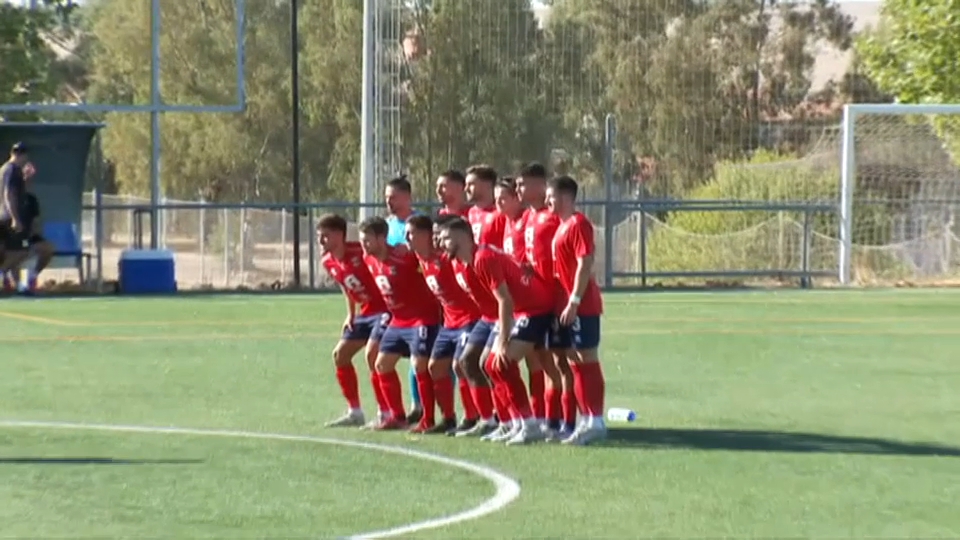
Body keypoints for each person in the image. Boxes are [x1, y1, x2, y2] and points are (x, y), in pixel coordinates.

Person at [437, 217, 556, 445]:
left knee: (502, 362)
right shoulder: (469, 260)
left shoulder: (482, 258)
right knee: (489, 365)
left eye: (445, 238)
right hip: (519, 312)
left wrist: (501, 341)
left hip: (534, 309)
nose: (441, 244)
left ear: (462, 237)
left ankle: (529, 424)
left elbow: (505, 300)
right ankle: (514, 422)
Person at [359, 216, 442, 431]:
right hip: (398, 319)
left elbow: (429, 259)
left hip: (422, 318)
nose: (363, 245)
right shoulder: (369, 259)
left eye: (367, 240)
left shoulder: (405, 256)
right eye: (361, 241)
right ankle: (397, 416)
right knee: (381, 364)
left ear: (382, 238)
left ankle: (428, 419)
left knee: (419, 366)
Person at [405, 214, 482, 434]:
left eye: (412, 233)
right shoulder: (421, 259)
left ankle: (473, 416)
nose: (408, 239)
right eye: (407, 234)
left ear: (427, 235)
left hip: (469, 319)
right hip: (449, 323)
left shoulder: (446, 258)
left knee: (461, 366)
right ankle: (448, 418)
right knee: (435, 367)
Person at [547, 175, 607, 445]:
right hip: (568, 307)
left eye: (551, 195)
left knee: (587, 360)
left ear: (565, 197)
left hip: (583, 305)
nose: (548, 200)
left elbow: (585, 263)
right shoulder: (561, 226)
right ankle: (587, 419)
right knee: (576, 362)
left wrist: (574, 300)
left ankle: (595, 420)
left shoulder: (579, 224)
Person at [317, 214, 392, 429]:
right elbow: (345, 285)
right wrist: (350, 313)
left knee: (372, 355)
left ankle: (385, 411)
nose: (321, 241)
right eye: (319, 237)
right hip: (365, 313)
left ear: (340, 235)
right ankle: (355, 411)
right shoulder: (327, 261)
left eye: (325, 236)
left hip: (384, 310)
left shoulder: (360, 252)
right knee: (340, 355)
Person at [517, 162, 572, 437]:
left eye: (523, 183)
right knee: (542, 362)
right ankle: (548, 419)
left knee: (561, 362)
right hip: (536, 301)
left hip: (555, 301)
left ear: (539, 186)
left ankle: (568, 420)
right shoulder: (528, 217)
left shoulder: (553, 218)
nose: (519, 189)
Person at [494, 177, 547, 430]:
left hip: (533, 300)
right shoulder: (506, 222)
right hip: (518, 302)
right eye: (496, 199)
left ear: (516, 198)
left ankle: (538, 415)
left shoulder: (527, 219)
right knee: (529, 361)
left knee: (537, 361)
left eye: (503, 198)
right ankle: (527, 416)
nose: (499, 203)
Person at [383, 174, 423, 423]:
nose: (389, 202)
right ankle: (393, 410)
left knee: (420, 359)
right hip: (396, 306)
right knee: (382, 356)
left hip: (421, 303)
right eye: (387, 198)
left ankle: (419, 406)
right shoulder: (386, 226)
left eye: (394, 197)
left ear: (407, 197)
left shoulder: (419, 224)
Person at [10, 162, 54, 293]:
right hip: (11, 238)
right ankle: (16, 284)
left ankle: (32, 277)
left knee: (47, 248)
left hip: (27, 237)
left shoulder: (31, 199)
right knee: (17, 252)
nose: (27, 181)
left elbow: (36, 222)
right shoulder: (10, 199)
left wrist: (33, 235)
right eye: (25, 177)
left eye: (29, 178)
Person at [0, 143, 31, 282]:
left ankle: (18, 286)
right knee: (22, 252)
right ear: (21, 155)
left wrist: (26, 178)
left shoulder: (5, 169)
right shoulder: (11, 169)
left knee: (12, 252)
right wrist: (15, 218)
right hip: (8, 216)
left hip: (4, 215)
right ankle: (1, 273)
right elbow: (9, 194)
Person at [465, 165, 506, 247]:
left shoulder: (501, 214)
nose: (466, 189)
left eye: (471, 184)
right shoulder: (471, 212)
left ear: (487, 185)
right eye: (466, 184)